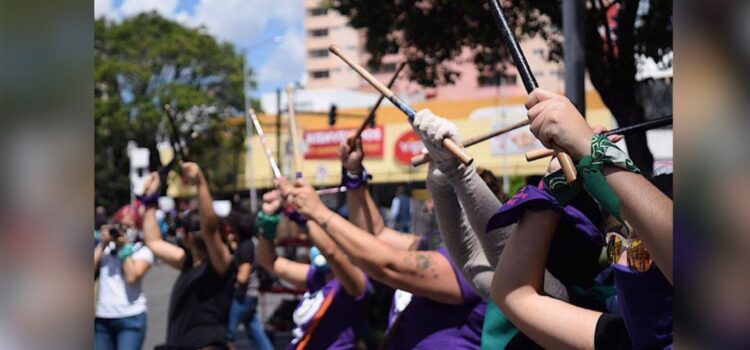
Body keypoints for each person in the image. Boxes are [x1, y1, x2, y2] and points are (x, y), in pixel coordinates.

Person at [487, 89, 673, 349]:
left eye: (643, 251)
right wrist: (556, 182)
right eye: (617, 246)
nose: (622, 260)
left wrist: (593, 149)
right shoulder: (625, 340)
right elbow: (515, 294)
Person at [285, 141, 487, 350]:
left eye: (443, 192)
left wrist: (318, 212)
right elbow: (375, 234)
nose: (432, 203)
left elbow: (388, 265)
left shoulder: (473, 263)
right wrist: (354, 174)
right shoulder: (430, 246)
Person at [256, 184, 371, 350]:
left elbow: (332, 253)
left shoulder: (357, 283)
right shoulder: (316, 277)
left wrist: (299, 215)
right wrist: (268, 220)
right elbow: (269, 261)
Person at [141, 162, 236, 349]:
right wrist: (150, 199)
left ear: (189, 235)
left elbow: (210, 229)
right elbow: (153, 241)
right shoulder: (189, 261)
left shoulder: (219, 264)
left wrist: (200, 183)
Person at [94, 203, 154, 350]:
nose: (123, 231)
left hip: (130, 317)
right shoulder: (106, 250)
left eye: (128, 226)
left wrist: (125, 248)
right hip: (103, 317)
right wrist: (102, 244)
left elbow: (132, 277)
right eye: (119, 226)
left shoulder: (142, 251)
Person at [226, 234, 273, 350]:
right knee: (257, 334)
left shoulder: (246, 245)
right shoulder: (252, 241)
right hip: (251, 295)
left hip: (243, 297)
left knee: (227, 335)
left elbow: (243, 277)